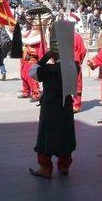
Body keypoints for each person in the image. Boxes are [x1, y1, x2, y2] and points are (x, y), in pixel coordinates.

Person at [28, 26, 76, 179]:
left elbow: (33, 72)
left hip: (50, 108)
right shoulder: (74, 66)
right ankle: (64, 166)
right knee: (65, 135)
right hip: (66, 107)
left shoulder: (49, 69)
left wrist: (44, 58)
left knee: (46, 138)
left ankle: (45, 168)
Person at [19, 18, 44, 102]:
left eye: (34, 22)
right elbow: (20, 34)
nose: (32, 24)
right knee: (23, 75)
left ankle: (36, 94)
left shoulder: (40, 34)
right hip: (24, 57)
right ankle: (26, 91)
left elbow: (29, 42)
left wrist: (19, 38)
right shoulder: (29, 32)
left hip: (32, 59)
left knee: (31, 77)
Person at [68, 14, 87, 113]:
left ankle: (76, 104)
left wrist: (79, 61)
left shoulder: (77, 37)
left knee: (76, 85)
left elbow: (83, 51)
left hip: (74, 64)